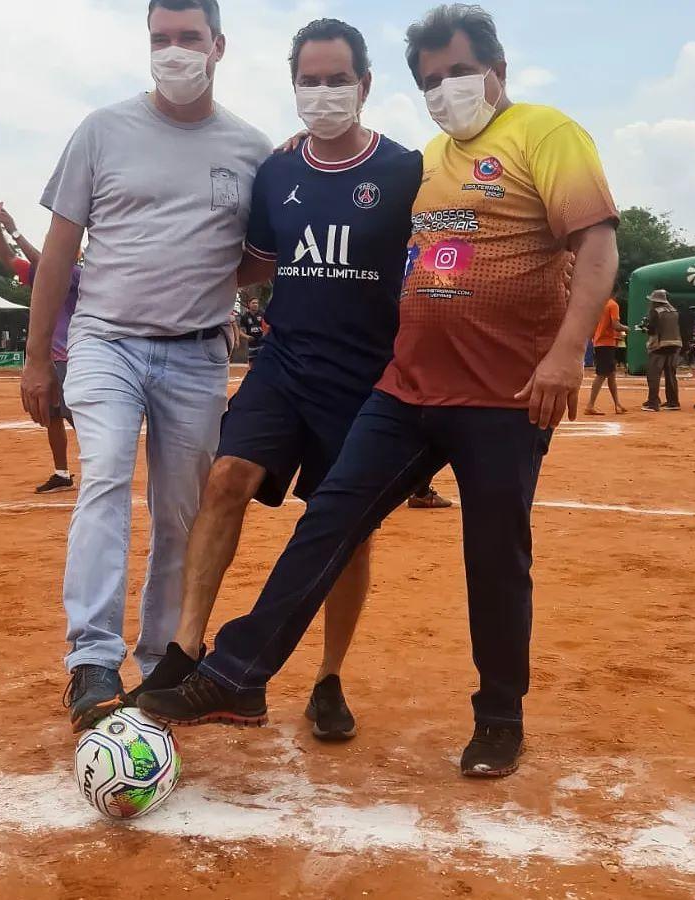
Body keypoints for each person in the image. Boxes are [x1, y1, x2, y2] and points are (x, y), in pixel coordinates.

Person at [139, 3, 619, 780]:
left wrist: (568, 355)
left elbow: (596, 243)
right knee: (327, 522)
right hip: (406, 388)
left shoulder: (545, 132)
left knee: (495, 556)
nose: (447, 89)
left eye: (460, 71)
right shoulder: (427, 159)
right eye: (431, 79)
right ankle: (232, 674)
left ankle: (499, 716)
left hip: (502, 396)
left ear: (498, 69)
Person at [129, 18, 423, 741]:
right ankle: (188, 648)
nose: (322, 93)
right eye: (309, 81)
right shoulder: (279, 172)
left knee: (346, 534)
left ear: (365, 84)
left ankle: (329, 679)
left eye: (336, 80)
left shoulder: (407, 170)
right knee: (225, 477)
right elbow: (254, 261)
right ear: (293, 85)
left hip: (364, 382)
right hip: (284, 364)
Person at [20, 0, 272, 733]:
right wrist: (41, 359)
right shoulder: (103, 131)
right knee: (101, 472)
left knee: (180, 510)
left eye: (188, 37)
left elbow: (260, 254)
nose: (173, 51)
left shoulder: (252, 150)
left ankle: (165, 661)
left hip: (197, 352)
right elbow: (60, 248)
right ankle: (92, 662)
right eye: (160, 39)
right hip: (106, 340)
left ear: (218, 45)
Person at [0, 202, 80, 494]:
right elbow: (7, 258)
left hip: (72, 357)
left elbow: (45, 263)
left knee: (79, 417)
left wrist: (14, 229)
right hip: (51, 359)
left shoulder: (75, 274)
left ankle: (100, 472)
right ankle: (62, 473)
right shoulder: (43, 276)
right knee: (53, 416)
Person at [585, 294, 627, 415]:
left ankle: (617, 404)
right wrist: (628, 329)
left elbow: (593, 327)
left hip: (601, 343)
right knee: (602, 374)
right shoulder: (613, 305)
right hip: (606, 343)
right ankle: (590, 405)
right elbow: (616, 325)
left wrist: (594, 339)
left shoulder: (599, 306)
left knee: (611, 374)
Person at [642, 289, 682, 412]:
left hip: (660, 346)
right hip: (675, 345)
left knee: (654, 375)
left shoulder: (655, 312)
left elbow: (652, 330)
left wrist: (644, 328)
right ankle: (673, 402)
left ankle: (653, 402)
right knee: (671, 375)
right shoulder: (674, 311)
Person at [237, 297, 266, 369]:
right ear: (249, 304)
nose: (255, 304)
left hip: (263, 343)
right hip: (252, 345)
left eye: (257, 303)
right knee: (252, 364)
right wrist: (247, 337)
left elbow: (268, 327)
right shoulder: (245, 317)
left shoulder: (263, 315)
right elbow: (241, 331)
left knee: (264, 362)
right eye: (253, 303)